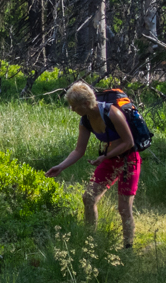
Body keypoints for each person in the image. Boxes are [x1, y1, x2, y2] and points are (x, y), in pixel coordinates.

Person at [45, 81, 140, 248]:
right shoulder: (85, 121)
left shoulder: (112, 113)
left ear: (86, 103)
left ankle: (128, 248)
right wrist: (60, 166)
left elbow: (129, 142)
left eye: (74, 106)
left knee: (124, 208)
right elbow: (78, 151)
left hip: (128, 159)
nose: (72, 109)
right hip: (109, 159)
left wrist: (105, 156)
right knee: (88, 198)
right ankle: (90, 242)